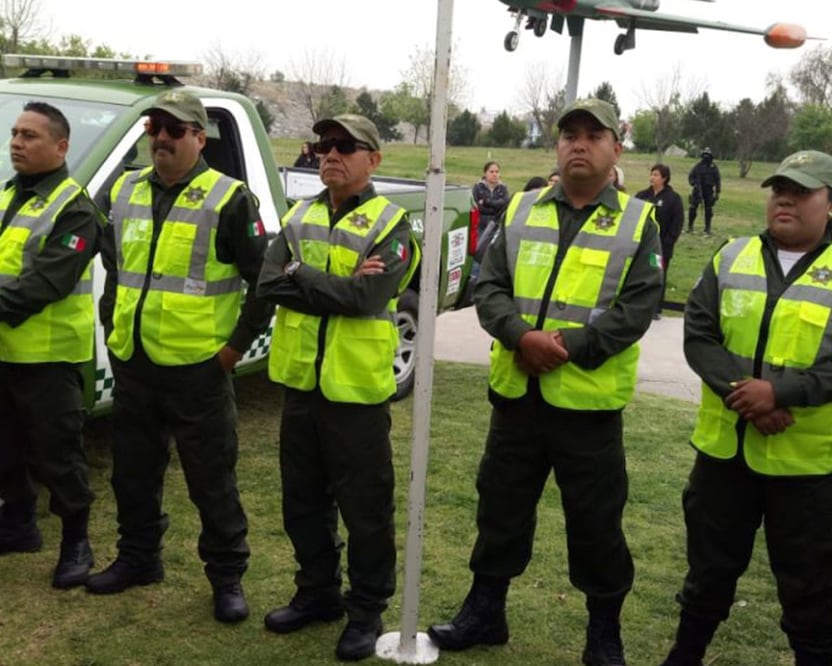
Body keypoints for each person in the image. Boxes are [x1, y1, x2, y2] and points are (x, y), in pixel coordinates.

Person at [426, 98, 662, 666]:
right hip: (517, 401)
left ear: (616, 149)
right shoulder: (523, 208)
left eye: (593, 135)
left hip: (588, 408)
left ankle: (603, 633)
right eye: (568, 134)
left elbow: (635, 310)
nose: (578, 144)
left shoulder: (638, 221)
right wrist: (518, 336)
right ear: (556, 146)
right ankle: (485, 613)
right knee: (500, 509)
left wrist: (564, 347)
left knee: (597, 524)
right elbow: (488, 285)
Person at [85, 90, 272, 625]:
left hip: (199, 372)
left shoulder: (229, 198)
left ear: (199, 137)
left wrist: (232, 352)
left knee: (211, 481)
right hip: (136, 364)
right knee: (133, 475)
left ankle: (227, 577)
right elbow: (118, 271)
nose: (161, 138)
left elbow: (263, 283)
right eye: (154, 129)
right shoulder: (124, 190)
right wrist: (113, 326)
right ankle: (139, 560)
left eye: (174, 130)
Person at [256, 114, 420, 662]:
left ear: (373, 160)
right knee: (302, 502)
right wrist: (322, 280)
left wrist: (299, 274)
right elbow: (266, 282)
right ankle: (317, 594)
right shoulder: (298, 214)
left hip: (357, 395)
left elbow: (364, 301)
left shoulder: (393, 226)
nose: (329, 154)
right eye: (323, 145)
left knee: (365, 510)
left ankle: (366, 609)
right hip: (301, 387)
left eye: (345, 147)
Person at [661, 150, 832, 666]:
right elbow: (699, 335)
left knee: (811, 590)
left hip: (808, 467)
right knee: (708, 573)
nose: (786, 198)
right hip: (724, 459)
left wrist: (781, 394)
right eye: (780, 188)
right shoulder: (729, 256)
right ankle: (684, 656)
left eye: (801, 191)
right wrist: (746, 394)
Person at [0, 101, 101, 589]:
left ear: (61, 147)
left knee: (58, 457)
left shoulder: (75, 208)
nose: (17, 142)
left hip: (49, 357)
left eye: (30, 136)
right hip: (5, 352)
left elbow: (43, 287)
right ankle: (19, 528)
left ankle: (76, 543)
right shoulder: (8, 195)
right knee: (5, 450)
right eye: (15, 133)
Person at [635, 163, 684, 319]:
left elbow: (677, 223)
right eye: (651, 174)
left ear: (664, 178)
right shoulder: (642, 195)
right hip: (641, 246)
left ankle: (656, 308)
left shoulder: (673, 199)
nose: (652, 177)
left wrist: (667, 242)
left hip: (661, 247)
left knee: (657, 275)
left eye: (656, 175)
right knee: (639, 274)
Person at [687, 147, 721, 235]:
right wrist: (694, 183)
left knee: (709, 210)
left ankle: (707, 228)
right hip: (697, 190)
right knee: (693, 208)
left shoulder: (714, 168)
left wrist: (717, 193)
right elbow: (691, 177)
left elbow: (717, 180)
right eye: (704, 155)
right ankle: (690, 226)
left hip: (709, 191)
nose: (706, 157)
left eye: (708, 156)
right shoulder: (697, 166)